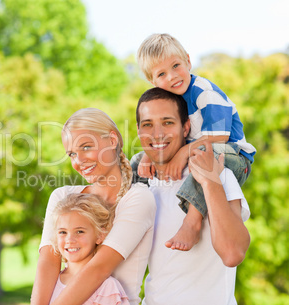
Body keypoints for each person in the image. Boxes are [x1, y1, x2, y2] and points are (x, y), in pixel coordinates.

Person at [134, 33, 256, 251]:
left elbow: (219, 137)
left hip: (233, 155)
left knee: (202, 161)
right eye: (162, 73)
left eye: (176, 66)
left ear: (188, 61)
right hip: (206, 148)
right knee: (134, 161)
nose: (172, 76)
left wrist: (182, 154)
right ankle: (125, 206)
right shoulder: (174, 99)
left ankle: (192, 221)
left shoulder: (204, 92)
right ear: (153, 82)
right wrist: (146, 156)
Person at [134, 87, 250, 304]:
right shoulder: (140, 186)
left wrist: (209, 181)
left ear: (186, 127)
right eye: (148, 124)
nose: (157, 133)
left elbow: (233, 254)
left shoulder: (217, 172)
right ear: (139, 130)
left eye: (168, 122)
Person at [31, 108, 156, 305]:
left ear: (112, 140)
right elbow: (48, 262)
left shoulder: (138, 198)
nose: (79, 161)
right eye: (72, 154)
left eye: (86, 147)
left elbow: (98, 270)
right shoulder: (63, 197)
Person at [49, 193, 130, 305]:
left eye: (79, 231)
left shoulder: (107, 287)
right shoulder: (50, 282)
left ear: (100, 235)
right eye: (63, 232)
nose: (70, 240)